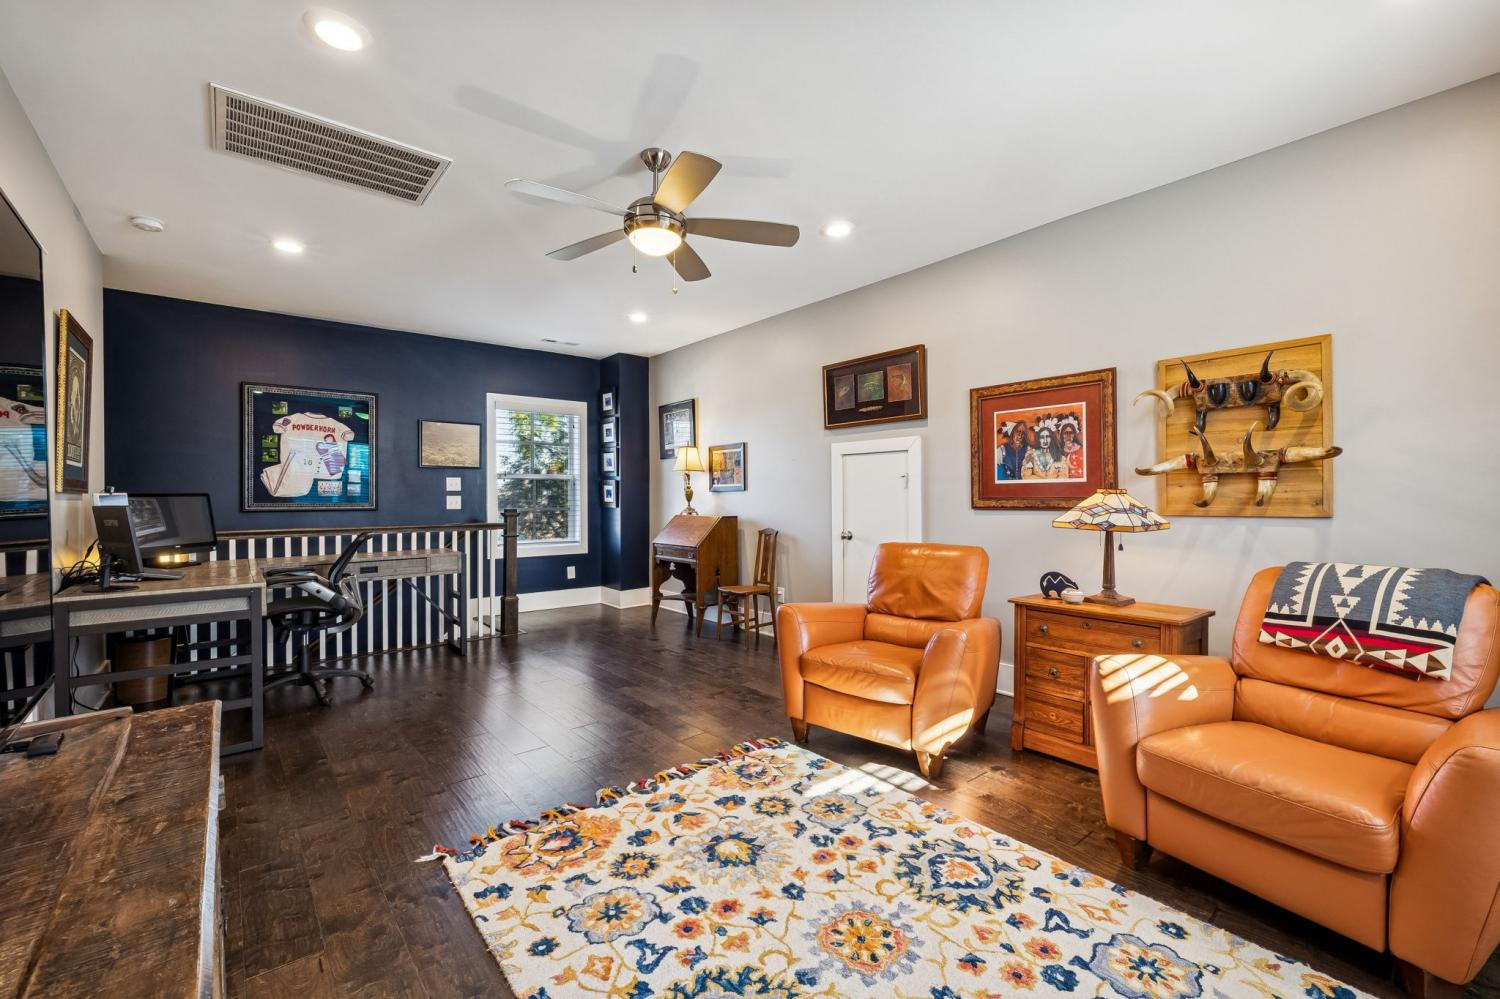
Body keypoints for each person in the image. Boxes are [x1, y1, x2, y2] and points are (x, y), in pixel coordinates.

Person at [1058, 416, 1085, 480]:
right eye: (1065, 433)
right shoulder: (1058, 451)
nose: (1068, 436)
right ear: (1062, 435)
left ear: (1074, 434)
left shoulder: (1081, 450)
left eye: (1071, 433)